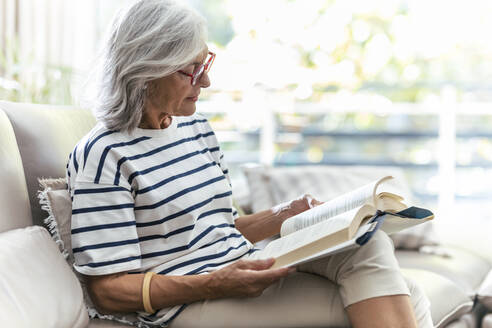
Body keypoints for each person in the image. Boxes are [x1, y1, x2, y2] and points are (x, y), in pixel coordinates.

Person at [67, 0, 433, 327]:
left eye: (205, 63)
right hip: (189, 301)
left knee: (374, 252)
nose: (205, 81)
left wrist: (288, 213)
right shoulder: (104, 155)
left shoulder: (194, 128)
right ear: (145, 72)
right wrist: (217, 282)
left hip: (240, 266)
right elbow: (108, 290)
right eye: (190, 71)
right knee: (407, 300)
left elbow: (220, 229)